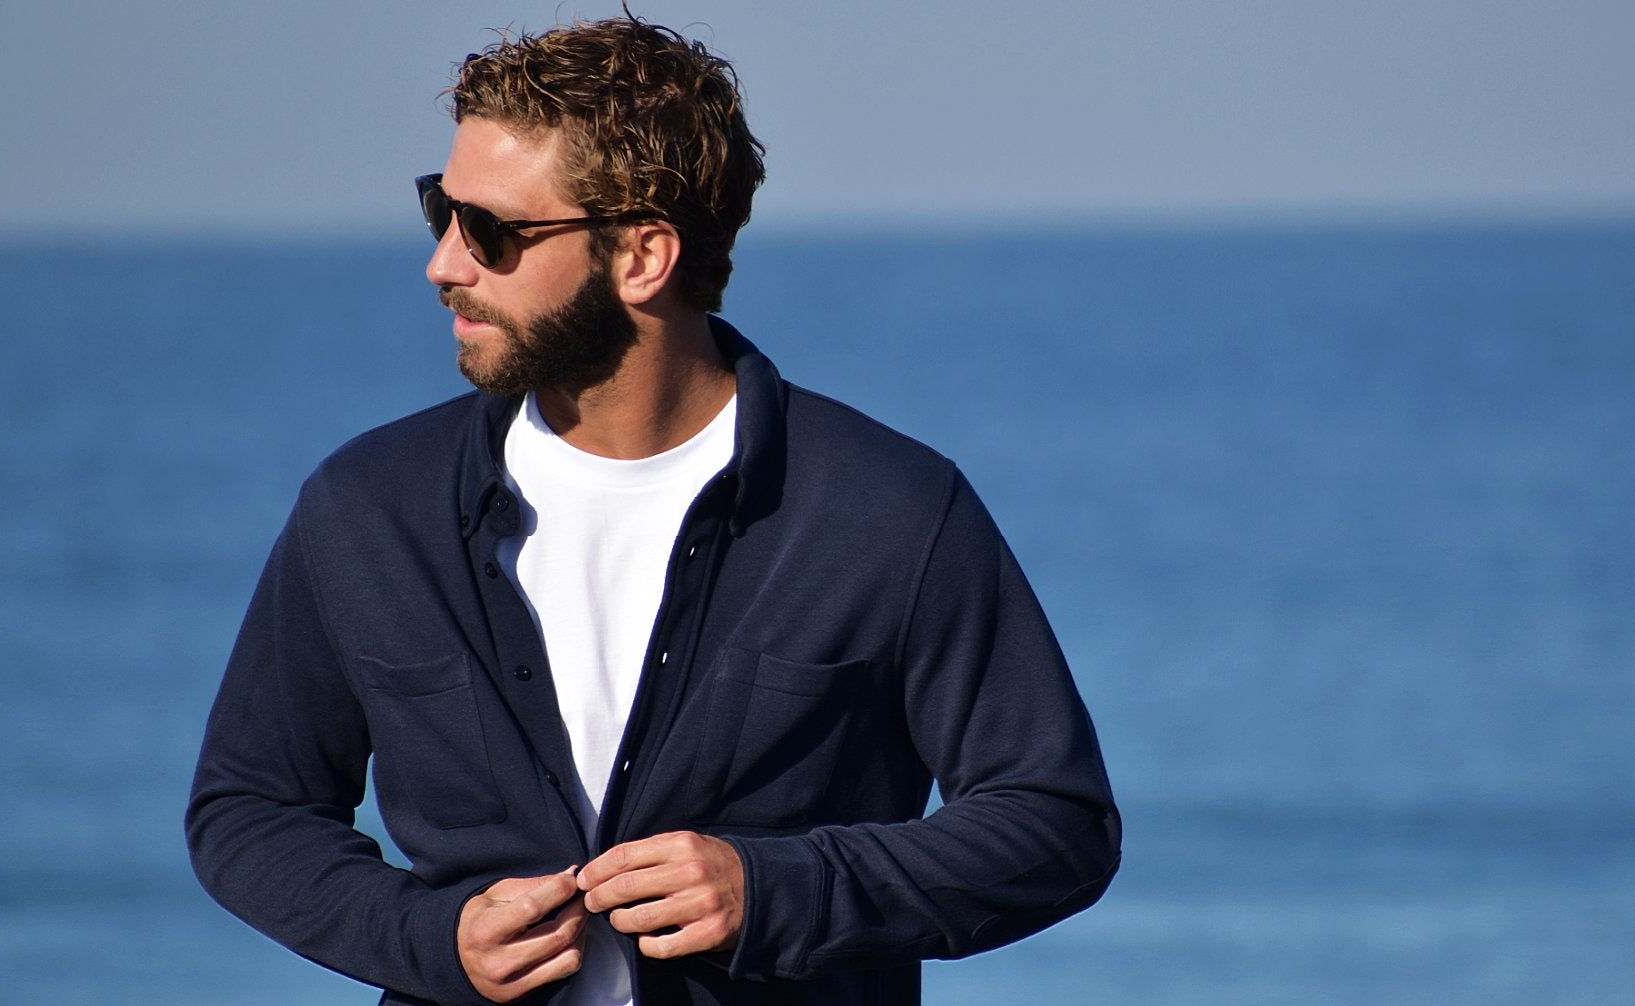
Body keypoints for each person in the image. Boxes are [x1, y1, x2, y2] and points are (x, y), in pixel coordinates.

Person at [186, 15, 1119, 1006]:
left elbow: (1051, 821)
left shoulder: (891, 511)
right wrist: (427, 936)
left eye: (493, 231)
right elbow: (251, 808)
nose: (445, 264)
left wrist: (777, 891)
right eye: (440, 211)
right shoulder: (368, 508)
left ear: (643, 255)